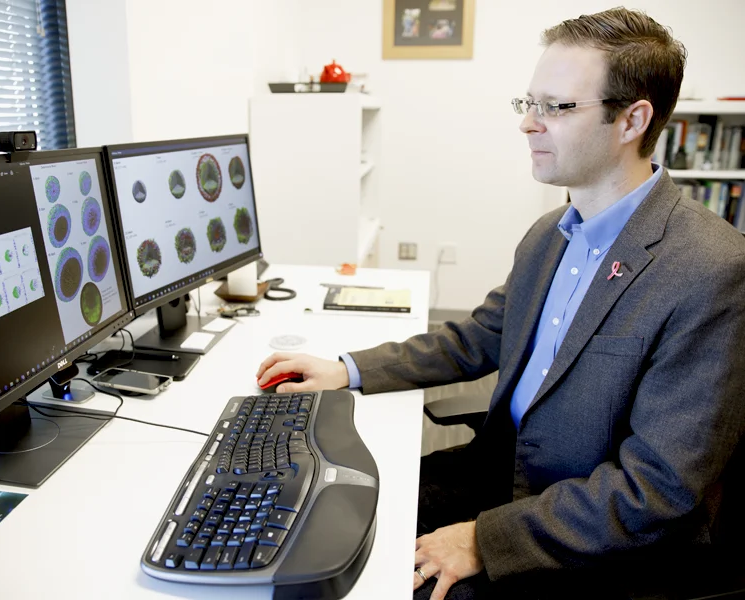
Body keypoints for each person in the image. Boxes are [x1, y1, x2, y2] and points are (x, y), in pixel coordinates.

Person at [256, 7, 745, 600]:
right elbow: (478, 337)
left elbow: (657, 489)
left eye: (556, 107)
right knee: (312, 506)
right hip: (503, 472)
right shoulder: (550, 233)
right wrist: (348, 370)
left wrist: (485, 541)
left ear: (632, 120)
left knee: (379, 582)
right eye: (528, 103)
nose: (528, 125)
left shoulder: (710, 270)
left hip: (591, 533)